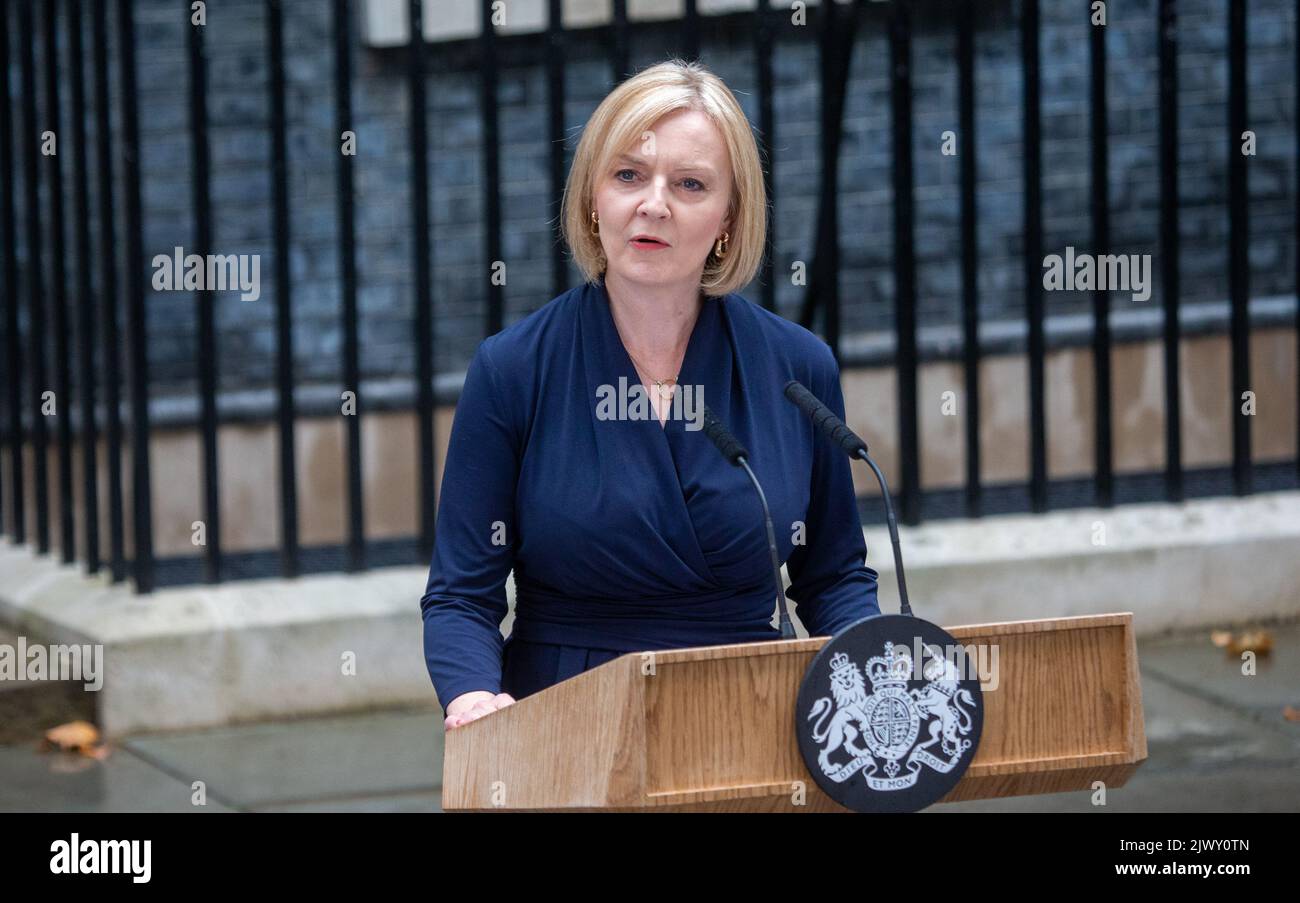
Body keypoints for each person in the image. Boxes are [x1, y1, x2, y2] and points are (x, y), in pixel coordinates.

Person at [422, 58, 880, 730]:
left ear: (728, 217)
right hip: (565, 715)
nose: (653, 203)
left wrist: (875, 673)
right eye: (628, 174)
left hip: (748, 713)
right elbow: (462, 592)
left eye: (690, 184)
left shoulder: (797, 368)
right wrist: (472, 697)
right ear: (592, 196)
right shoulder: (513, 369)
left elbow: (833, 576)